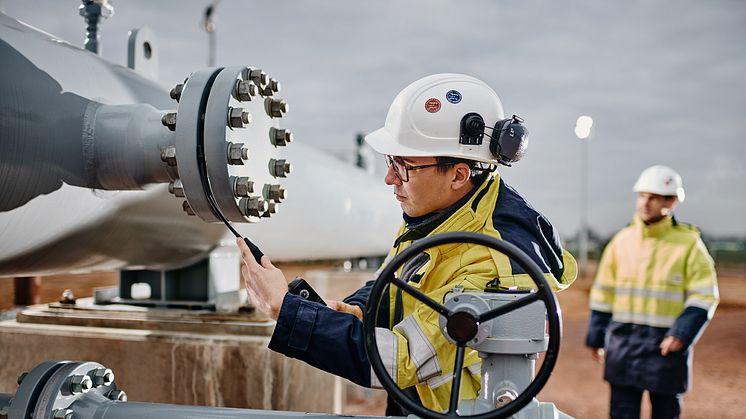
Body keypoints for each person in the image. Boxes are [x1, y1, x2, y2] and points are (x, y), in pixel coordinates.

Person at [238, 73, 577, 414]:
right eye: (391, 161)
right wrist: (355, 309)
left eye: (404, 166)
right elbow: (399, 283)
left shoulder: (492, 261)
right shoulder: (443, 218)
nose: (389, 179)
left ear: (459, 175)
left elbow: (397, 361)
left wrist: (286, 310)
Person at [585, 165, 719, 419]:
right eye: (642, 196)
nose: (645, 203)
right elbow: (603, 292)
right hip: (623, 343)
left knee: (666, 412)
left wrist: (682, 333)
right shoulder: (621, 241)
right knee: (622, 413)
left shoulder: (689, 244)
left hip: (666, 345)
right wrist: (596, 336)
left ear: (672, 201)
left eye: (654, 197)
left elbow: (704, 295)